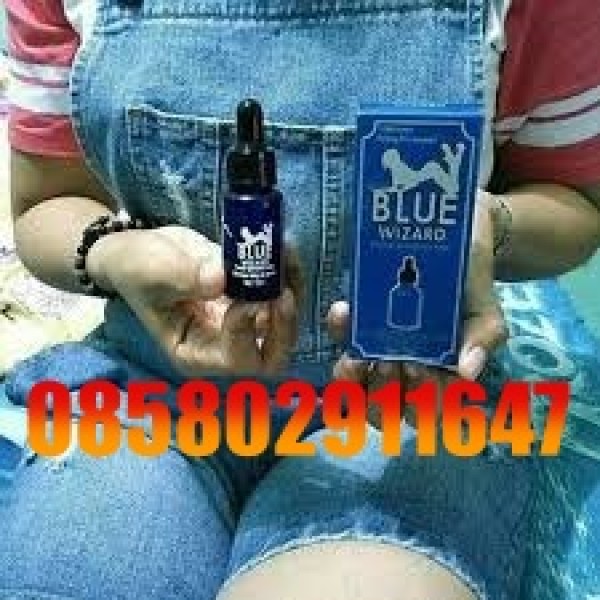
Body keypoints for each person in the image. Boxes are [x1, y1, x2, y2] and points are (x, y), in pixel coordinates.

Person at [1, 0, 600, 598]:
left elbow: (576, 206)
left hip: (411, 402)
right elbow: (44, 202)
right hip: (150, 397)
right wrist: (111, 252)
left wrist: (490, 221)